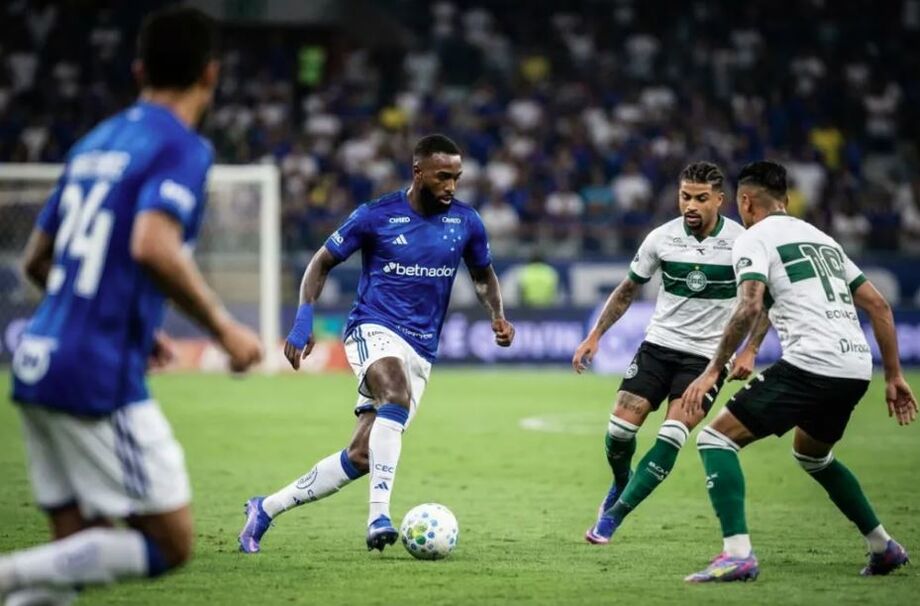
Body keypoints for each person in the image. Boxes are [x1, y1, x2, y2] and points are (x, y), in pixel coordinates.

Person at [0, 7, 263, 604]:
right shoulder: (181, 146)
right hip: (95, 372)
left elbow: (36, 263)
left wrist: (129, 323)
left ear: (139, 69)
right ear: (211, 76)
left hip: (36, 357)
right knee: (170, 544)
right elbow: (153, 244)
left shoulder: (95, 141)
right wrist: (225, 330)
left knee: (73, 557)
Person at [238, 134, 515, 553]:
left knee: (362, 456)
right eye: (443, 177)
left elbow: (483, 275)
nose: (451, 186)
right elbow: (321, 262)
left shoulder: (467, 222)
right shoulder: (375, 215)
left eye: (457, 178)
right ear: (418, 172)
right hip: (372, 326)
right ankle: (377, 516)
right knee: (395, 396)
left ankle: (265, 508)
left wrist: (497, 315)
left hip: (421, 349)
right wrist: (303, 319)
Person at [681, 161, 916, 582]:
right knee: (813, 454)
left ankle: (737, 554)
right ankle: (884, 547)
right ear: (786, 202)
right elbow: (879, 306)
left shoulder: (753, 239)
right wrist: (894, 376)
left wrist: (712, 368)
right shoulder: (822, 239)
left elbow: (750, 303)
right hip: (855, 366)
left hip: (812, 364)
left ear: (744, 201)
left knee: (715, 440)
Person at [573, 161, 768, 544]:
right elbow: (628, 289)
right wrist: (595, 334)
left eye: (700, 198)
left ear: (719, 200)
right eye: (684, 197)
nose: (690, 206)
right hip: (658, 347)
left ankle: (613, 517)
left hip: (708, 361)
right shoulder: (660, 238)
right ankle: (620, 482)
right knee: (619, 431)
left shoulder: (742, 242)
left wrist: (751, 350)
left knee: (672, 434)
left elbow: (765, 300)